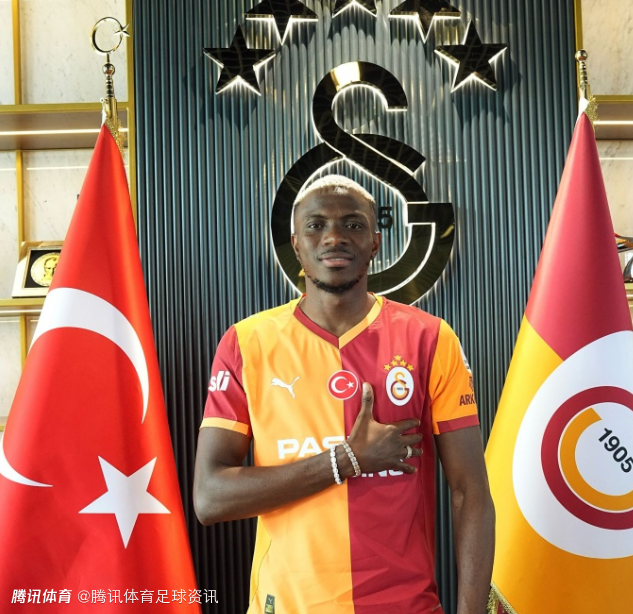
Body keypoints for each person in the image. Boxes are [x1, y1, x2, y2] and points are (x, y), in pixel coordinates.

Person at [194, 175, 495, 614]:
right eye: (316, 225)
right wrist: (346, 459)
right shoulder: (246, 343)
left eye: (353, 225)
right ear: (296, 245)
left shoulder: (429, 338)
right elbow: (210, 497)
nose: (334, 237)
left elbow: (471, 493)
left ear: (375, 242)